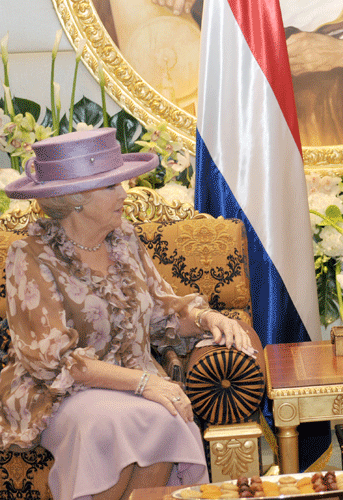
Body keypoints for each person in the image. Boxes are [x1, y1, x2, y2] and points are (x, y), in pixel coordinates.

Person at [0, 128, 255, 500]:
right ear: (74, 199)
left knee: (167, 415)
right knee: (111, 422)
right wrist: (144, 383)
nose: (124, 194)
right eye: (111, 186)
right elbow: (53, 361)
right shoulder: (30, 255)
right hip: (61, 393)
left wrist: (208, 318)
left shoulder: (125, 239)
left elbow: (164, 313)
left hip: (136, 384)